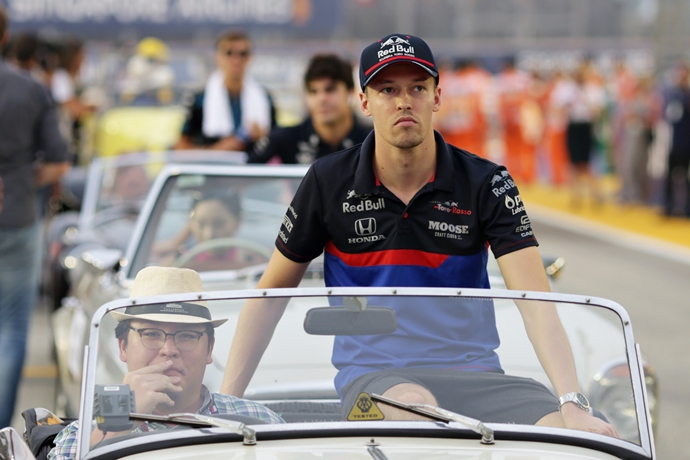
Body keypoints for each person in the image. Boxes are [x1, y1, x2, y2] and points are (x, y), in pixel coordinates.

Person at [220, 33, 619, 438]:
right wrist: (226, 403)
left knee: (569, 438)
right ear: (364, 102)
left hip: (476, 373)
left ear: (437, 97)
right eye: (387, 89)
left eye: (417, 88)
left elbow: (536, 304)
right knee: (419, 412)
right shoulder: (327, 181)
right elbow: (268, 297)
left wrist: (573, 403)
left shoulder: (488, 182)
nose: (403, 101)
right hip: (375, 379)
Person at [48, 266, 283, 460]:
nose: (169, 350)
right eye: (151, 334)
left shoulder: (259, 422)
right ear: (123, 347)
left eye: (187, 336)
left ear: (209, 349)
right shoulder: (81, 435)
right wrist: (121, 419)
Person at [0, 6, 70, 429]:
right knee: (11, 329)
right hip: (16, 215)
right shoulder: (29, 88)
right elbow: (59, 163)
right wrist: (23, 179)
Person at [246, 53, 371, 164]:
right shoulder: (286, 138)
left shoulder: (372, 140)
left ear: (351, 92)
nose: (321, 98)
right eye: (313, 91)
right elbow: (244, 173)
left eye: (330, 89)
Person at [175, 30, 276, 152]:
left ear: (250, 58)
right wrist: (215, 150)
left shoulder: (265, 99)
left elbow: (278, 144)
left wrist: (263, 137)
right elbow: (180, 149)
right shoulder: (199, 100)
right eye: (229, 53)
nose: (236, 60)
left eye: (242, 54)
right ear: (217, 57)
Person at [662, 62, 690, 217]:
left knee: (685, 176)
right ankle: (670, 206)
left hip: (686, 141)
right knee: (670, 175)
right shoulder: (673, 95)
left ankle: (686, 208)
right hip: (675, 140)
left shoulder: (686, 95)